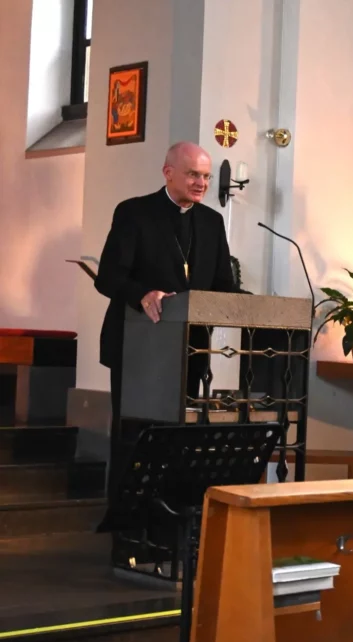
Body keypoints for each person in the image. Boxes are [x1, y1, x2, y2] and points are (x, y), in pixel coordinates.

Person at [94, 141, 238, 504]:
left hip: (190, 347)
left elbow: (223, 286)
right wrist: (143, 294)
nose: (201, 183)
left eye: (205, 176)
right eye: (193, 174)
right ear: (168, 172)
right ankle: (126, 523)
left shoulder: (212, 221)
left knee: (180, 437)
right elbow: (108, 277)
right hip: (139, 346)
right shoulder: (135, 213)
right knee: (135, 436)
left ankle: (170, 517)